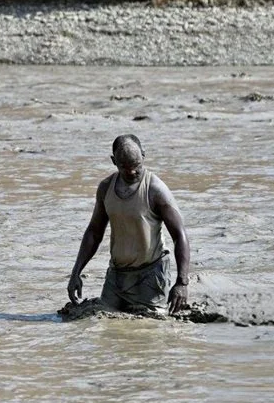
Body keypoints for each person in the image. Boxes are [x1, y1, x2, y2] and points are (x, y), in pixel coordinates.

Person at [65, 134, 192, 317]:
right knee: (100, 323)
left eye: (136, 166)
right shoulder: (106, 188)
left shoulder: (155, 189)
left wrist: (182, 283)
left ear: (143, 155)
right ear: (113, 161)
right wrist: (76, 273)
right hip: (116, 277)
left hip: (151, 275)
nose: (131, 172)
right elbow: (94, 232)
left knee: (150, 328)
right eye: (124, 166)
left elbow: (180, 235)